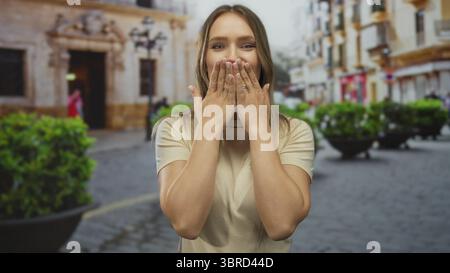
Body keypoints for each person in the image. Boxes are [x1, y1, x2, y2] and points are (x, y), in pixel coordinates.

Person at [154, 5, 314, 253]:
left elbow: (281, 224)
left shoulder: (294, 131)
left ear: (262, 58)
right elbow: (185, 223)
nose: (232, 57)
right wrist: (209, 124)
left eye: (247, 45)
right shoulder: (175, 128)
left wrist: (258, 126)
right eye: (217, 46)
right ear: (203, 59)